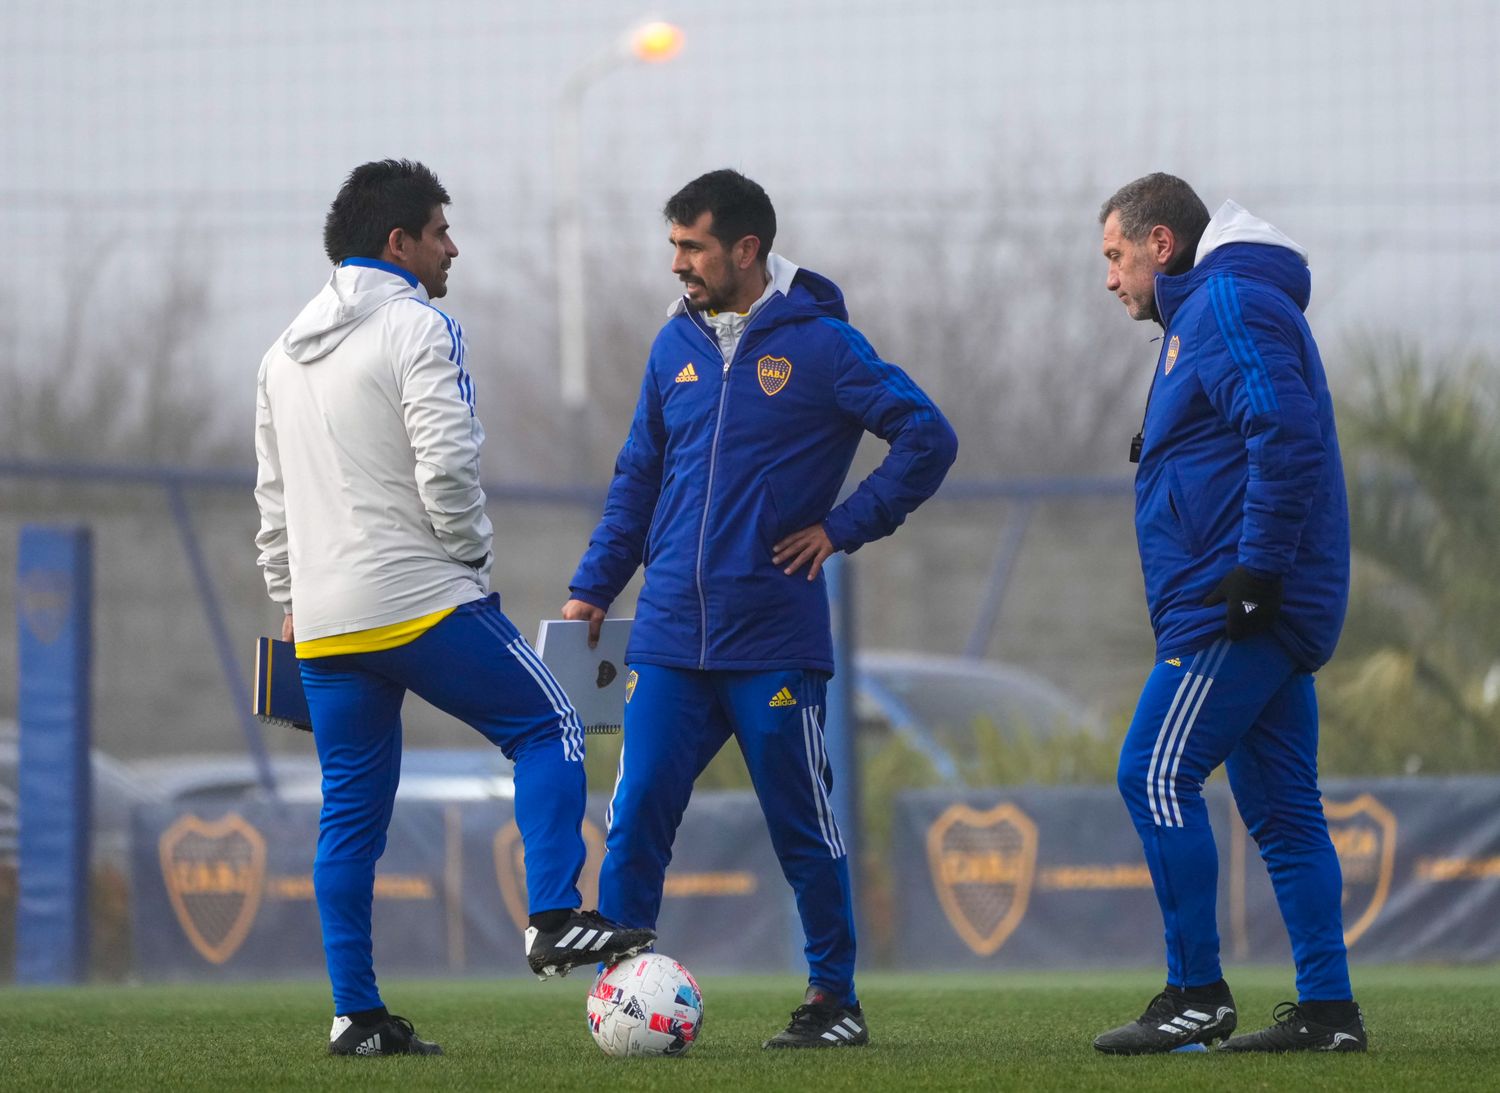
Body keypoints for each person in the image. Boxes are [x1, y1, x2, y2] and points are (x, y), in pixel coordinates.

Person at [254, 159, 653, 1057]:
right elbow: (447, 465)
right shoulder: (418, 324)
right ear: (399, 243)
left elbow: (273, 502)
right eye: (440, 230)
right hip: (421, 597)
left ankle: (356, 1014)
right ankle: (554, 915)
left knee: (349, 814)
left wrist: (290, 598)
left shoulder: (279, 352)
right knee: (551, 723)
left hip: (322, 623)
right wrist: (470, 557)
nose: (453, 246)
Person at [562, 169, 957, 1049]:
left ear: (747, 249)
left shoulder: (822, 345)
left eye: (691, 247)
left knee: (802, 826)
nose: (678, 264)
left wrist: (845, 526)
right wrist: (596, 582)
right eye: (672, 247)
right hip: (668, 634)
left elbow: (929, 436)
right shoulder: (673, 347)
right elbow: (638, 477)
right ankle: (623, 998)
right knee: (634, 820)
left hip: (773, 636)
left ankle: (832, 1000)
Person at [1092, 172, 1366, 1054]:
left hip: (1238, 605)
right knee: (1282, 808)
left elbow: (1279, 427)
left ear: (1160, 244)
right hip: (1247, 600)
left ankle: (1196, 992)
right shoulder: (1204, 313)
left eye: (1115, 255)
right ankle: (1328, 1012)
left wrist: (1256, 570)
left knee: (1152, 772)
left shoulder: (1223, 304)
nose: (1110, 277)